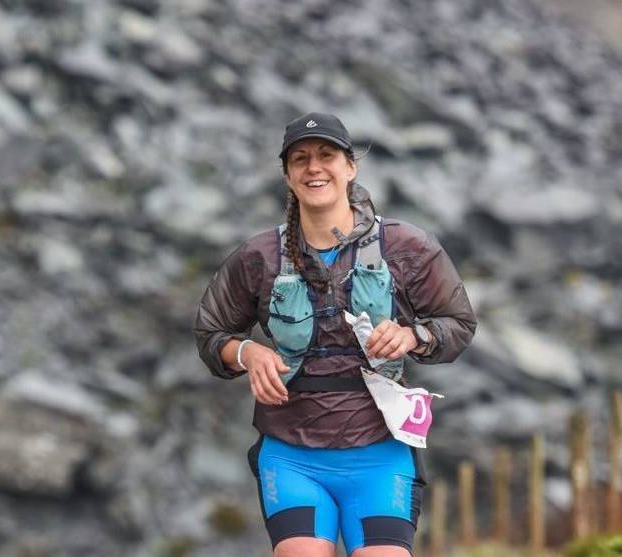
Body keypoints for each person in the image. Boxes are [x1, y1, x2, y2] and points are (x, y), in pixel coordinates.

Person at [193, 112, 476, 557]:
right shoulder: (258, 257)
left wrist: (412, 337)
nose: (314, 168)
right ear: (287, 175)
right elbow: (211, 332)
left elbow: (459, 323)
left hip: (380, 452)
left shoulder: (406, 247)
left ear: (350, 166)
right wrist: (247, 352)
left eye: (327, 155)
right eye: (300, 159)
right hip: (291, 455)